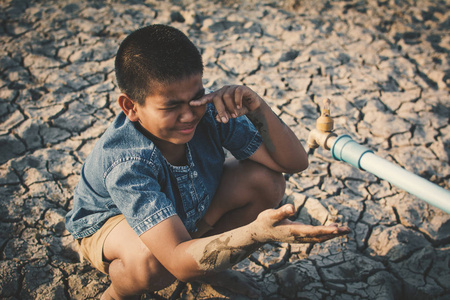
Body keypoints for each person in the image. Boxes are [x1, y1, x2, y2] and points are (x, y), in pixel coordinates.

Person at [65, 24, 350, 300]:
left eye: (196, 97)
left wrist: (258, 107)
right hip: (112, 224)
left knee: (266, 180)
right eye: (171, 106)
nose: (189, 114)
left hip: (188, 211)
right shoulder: (127, 162)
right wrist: (256, 233)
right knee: (151, 263)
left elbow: (293, 163)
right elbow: (175, 259)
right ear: (131, 107)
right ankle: (116, 294)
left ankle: (204, 268)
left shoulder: (211, 112)